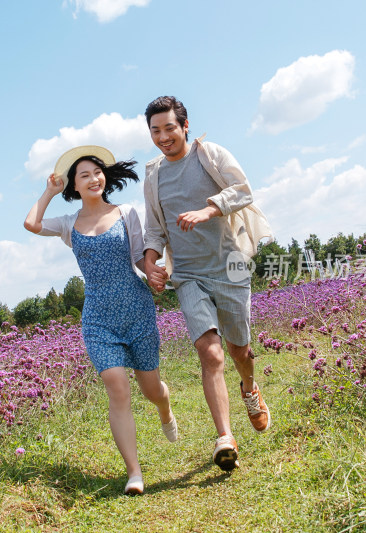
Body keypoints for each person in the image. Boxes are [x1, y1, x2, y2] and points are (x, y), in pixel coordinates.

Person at [24, 145, 176, 495]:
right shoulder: (68, 224)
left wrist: (154, 272)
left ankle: (165, 408)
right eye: (84, 175)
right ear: (73, 186)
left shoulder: (125, 212)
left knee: (151, 390)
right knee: (117, 388)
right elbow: (31, 224)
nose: (93, 178)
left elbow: (140, 257)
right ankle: (134, 472)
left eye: (97, 172)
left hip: (136, 310)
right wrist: (48, 191)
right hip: (98, 319)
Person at [141, 96, 273, 472]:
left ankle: (249, 388)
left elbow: (243, 190)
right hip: (187, 274)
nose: (163, 137)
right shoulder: (154, 176)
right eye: (155, 131)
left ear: (184, 125)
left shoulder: (208, 154)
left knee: (239, 349)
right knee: (210, 351)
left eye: (169, 128)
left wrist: (209, 209)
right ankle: (225, 437)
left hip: (229, 265)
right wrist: (152, 264)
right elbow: (153, 228)